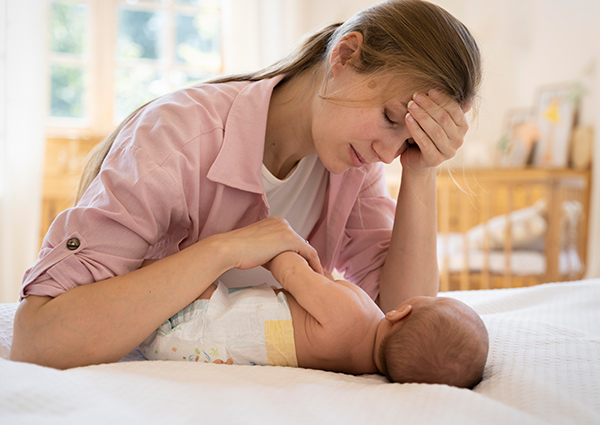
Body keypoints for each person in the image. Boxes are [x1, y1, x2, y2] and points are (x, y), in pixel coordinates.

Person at [10, 0, 481, 369]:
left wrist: (421, 171)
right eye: (392, 118)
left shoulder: (354, 166)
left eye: (408, 140)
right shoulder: (175, 136)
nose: (388, 152)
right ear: (344, 55)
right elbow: (38, 338)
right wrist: (226, 250)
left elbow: (402, 328)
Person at [141, 251, 489, 389]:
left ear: (400, 313)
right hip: (190, 350)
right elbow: (319, 290)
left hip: (199, 318)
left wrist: (279, 245)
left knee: (166, 266)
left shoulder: (355, 312)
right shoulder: (356, 365)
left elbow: (293, 274)